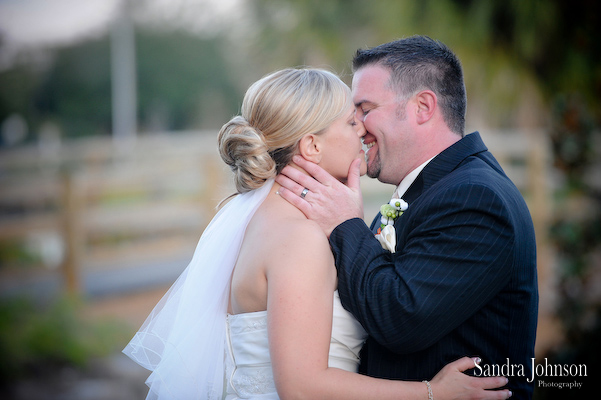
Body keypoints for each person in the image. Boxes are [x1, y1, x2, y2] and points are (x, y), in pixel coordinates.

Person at [123, 67, 512, 399]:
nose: (361, 127)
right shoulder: (299, 239)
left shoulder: (265, 217)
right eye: (348, 120)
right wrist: (430, 392)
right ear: (310, 145)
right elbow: (301, 386)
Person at [276, 36, 538, 399]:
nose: (359, 126)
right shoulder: (435, 188)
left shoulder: (476, 197)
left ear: (423, 107)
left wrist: (345, 225)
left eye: (365, 109)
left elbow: (399, 318)